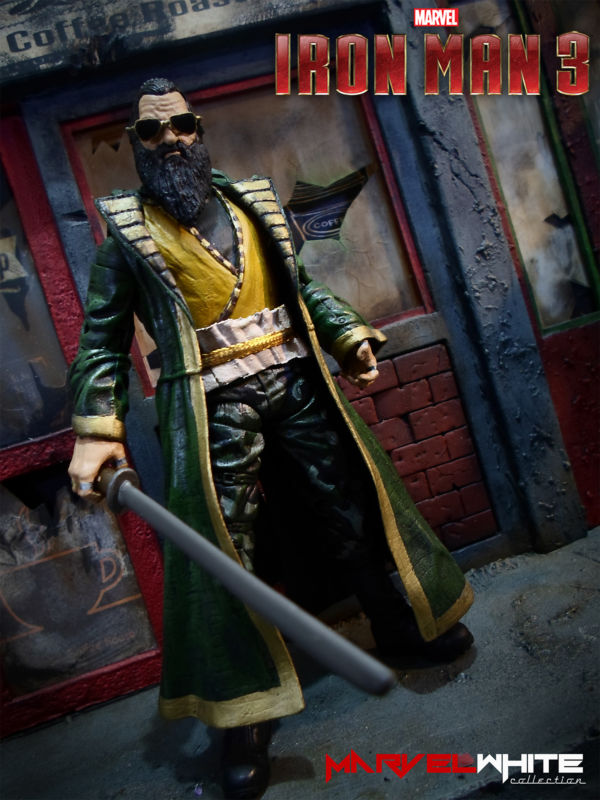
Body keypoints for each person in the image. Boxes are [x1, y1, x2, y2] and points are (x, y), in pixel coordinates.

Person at [69, 77, 474, 799]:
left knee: (347, 504)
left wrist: (346, 334)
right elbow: (100, 340)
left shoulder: (252, 205)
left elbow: (302, 288)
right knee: (227, 549)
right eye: (153, 132)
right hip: (212, 405)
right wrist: (97, 430)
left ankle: (397, 624)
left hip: (293, 379)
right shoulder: (126, 237)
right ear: (135, 143)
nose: (171, 141)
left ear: (199, 130)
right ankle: (244, 714)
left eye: (182, 126)